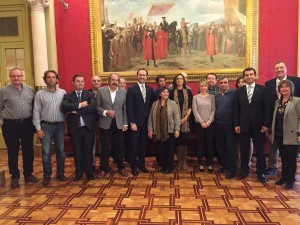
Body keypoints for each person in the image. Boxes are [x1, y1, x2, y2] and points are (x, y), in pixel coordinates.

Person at [0, 68, 39, 189]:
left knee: (28, 150)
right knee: (13, 151)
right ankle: (15, 176)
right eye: (13, 76)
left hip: (27, 123)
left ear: (22, 76)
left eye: (18, 75)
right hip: (10, 124)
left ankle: (28, 174)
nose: (16, 78)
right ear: (10, 77)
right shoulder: (3, 91)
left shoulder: (30, 89)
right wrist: (2, 122)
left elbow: (34, 107)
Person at [234, 67, 271, 183]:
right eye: (246, 75)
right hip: (244, 125)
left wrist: (266, 124)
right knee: (244, 149)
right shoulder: (239, 91)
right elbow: (236, 109)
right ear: (244, 77)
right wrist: (236, 124)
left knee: (260, 150)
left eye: (251, 74)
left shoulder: (263, 90)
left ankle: (261, 173)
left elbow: (267, 109)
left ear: (255, 76)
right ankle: (244, 171)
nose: (248, 77)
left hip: (259, 126)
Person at [265, 61, 300, 175]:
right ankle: (273, 168)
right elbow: (268, 104)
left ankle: (290, 177)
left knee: (290, 155)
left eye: (281, 67)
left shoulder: (297, 81)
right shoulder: (269, 84)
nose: (279, 70)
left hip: (291, 124)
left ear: (286, 69)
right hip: (276, 121)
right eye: (277, 68)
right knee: (275, 147)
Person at [33, 70, 67, 185]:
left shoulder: (63, 93)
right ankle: (47, 175)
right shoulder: (39, 94)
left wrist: (66, 125)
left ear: (57, 79)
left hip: (59, 126)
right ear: (45, 79)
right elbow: (36, 111)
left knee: (61, 151)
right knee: (46, 153)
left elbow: (66, 109)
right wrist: (38, 128)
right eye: (49, 77)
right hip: (45, 126)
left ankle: (60, 173)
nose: (51, 79)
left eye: (53, 77)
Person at [62, 74, 96, 181]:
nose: (80, 83)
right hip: (75, 129)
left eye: (82, 81)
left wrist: (75, 110)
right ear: (73, 83)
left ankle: (89, 172)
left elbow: (93, 107)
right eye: (78, 81)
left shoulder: (89, 94)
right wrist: (80, 105)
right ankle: (79, 173)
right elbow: (64, 106)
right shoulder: (68, 95)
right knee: (77, 152)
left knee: (88, 151)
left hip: (88, 128)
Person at [96, 73, 128, 178]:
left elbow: (125, 109)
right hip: (105, 123)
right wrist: (105, 112)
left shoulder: (123, 92)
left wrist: (125, 123)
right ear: (108, 81)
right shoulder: (101, 91)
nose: (115, 82)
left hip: (118, 123)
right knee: (104, 147)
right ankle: (103, 169)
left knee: (119, 147)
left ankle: (121, 167)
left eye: (117, 80)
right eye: (113, 80)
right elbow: (97, 107)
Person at [270, 79, 300, 189]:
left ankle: (291, 179)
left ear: (291, 88)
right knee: (283, 157)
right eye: (281, 87)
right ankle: (284, 177)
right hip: (279, 134)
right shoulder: (277, 102)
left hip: (291, 134)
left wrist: (299, 132)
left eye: (286, 87)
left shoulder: (297, 101)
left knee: (291, 158)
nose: (284, 89)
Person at [126, 68, 154, 176]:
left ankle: (141, 165)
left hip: (146, 123)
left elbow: (150, 106)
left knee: (143, 145)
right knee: (134, 146)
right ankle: (133, 167)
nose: (142, 77)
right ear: (137, 76)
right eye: (140, 75)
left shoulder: (150, 89)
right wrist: (132, 122)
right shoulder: (131, 89)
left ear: (147, 77)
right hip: (135, 124)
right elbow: (129, 107)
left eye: (144, 75)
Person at [148, 86, 180, 174]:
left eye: (167, 92)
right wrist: (150, 129)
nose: (166, 93)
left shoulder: (172, 103)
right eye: (164, 92)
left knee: (170, 150)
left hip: (170, 131)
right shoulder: (155, 104)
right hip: (158, 131)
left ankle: (169, 167)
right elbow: (150, 117)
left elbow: (177, 117)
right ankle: (163, 166)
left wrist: (177, 129)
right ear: (160, 94)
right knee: (161, 150)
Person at [169, 73, 193, 171]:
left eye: (181, 79)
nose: (179, 80)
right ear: (175, 81)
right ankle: (179, 161)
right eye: (177, 79)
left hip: (186, 121)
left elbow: (191, 106)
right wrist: (177, 120)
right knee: (178, 141)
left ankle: (184, 161)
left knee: (185, 140)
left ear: (184, 80)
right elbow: (169, 107)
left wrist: (186, 117)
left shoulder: (188, 91)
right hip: (175, 120)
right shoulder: (171, 92)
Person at [214, 77, 236, 178]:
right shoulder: (216, 95)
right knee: (221, 146)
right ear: (218, 84)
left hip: (230, 124)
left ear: (229, 84)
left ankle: (231, 169)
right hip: (218, 124)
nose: (223, 84)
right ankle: (225, 166)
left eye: (225, 83)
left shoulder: (234, 94)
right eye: (221, 83)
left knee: (230, 147)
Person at [192, 80, 215, 172]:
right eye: (201, 86)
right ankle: (200, 163)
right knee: (200, 143)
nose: (203, 87)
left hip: (210, 123)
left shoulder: (212, 97)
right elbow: (195, 110)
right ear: (199, 87)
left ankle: (209, 163)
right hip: (199, 124)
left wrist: (209, 121)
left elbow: (213, 110)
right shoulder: (195, 97)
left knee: (209, 143)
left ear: (207, 87)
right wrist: (201, 122)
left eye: (205, 86)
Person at [88, 75, 102, 171]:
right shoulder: (87, 93)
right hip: (91, 121)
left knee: (103, 144)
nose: (96, 82)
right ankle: (92, 163)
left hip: (103, 121)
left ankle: (103, 163)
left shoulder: (105, 92)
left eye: (98, 81)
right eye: (94, 81)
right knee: (91, 144)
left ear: (101, 82)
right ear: (91, 82)